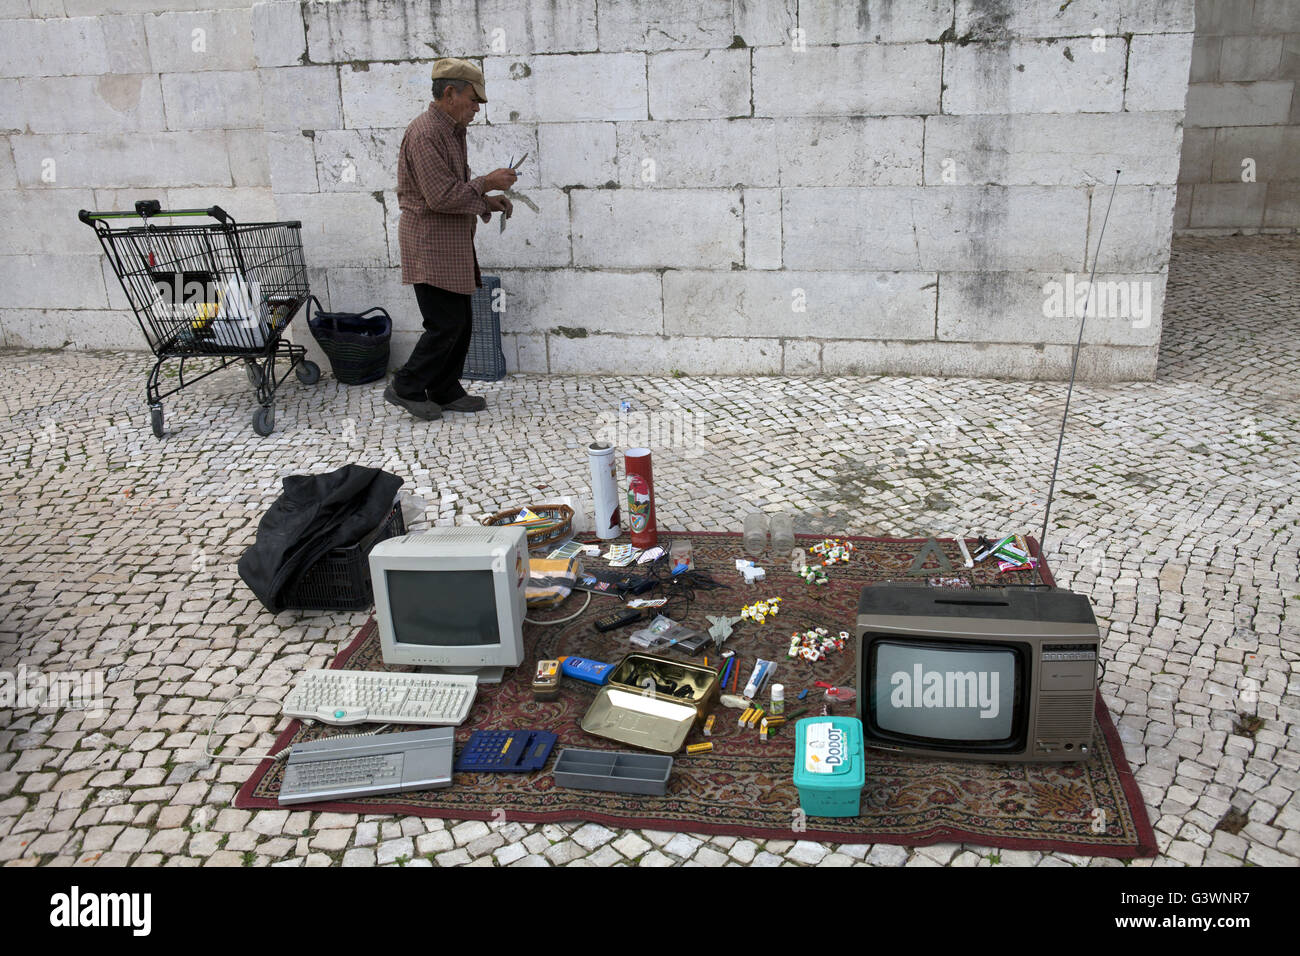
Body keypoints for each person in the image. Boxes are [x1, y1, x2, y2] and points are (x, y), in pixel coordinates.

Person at [385, 58, 517, 420]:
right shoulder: (426, 133)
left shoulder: (451, 131)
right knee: (444, 324)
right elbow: (440, 196)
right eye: (474, 100)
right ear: (449, 93)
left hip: (451, 245)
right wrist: (487, 183)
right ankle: (406, 385)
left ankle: (444, 388)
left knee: (461, 322)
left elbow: (453, 191)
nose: (477, 108)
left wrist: (485, 201)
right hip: (430, 245)